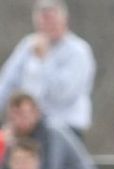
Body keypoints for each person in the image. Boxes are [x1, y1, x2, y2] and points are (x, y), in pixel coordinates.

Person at [0, 0, 95, 139]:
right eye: (43, 22)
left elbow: (63, 93)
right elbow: (8, 82)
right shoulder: (27, 46)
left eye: (52, 21)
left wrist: (44, 60)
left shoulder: (78, 51)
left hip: (65, 128)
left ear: (64, 20)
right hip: (28, 127)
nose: (47, 27)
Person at [2, 92, 101, 169]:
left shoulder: (51, 132)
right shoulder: (16, 136)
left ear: (36, 113)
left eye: (24, 116)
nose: (18, 122)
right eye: (14, 117)